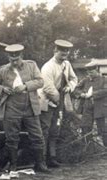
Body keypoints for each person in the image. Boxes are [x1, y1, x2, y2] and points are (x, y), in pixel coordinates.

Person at [0, 44, 49, 172]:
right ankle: (13, 165)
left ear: (21, 56)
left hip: (30, 107)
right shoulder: (3, 70)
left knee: (37, 136)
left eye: (17, 59)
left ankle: (40, 164)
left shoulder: (31, 66)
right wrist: (3, 89)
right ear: (8, 57)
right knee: (12, 138)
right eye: (12, 59)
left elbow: (40, 81)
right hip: (11, 107)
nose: (14, 62)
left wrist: (26, 86)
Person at [38, 39, 78, 167]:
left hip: (59, 102)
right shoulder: (48, 67)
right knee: (45, 130)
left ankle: (52, 158)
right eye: (61, 50)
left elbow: (74, 78)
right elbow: (47, 87)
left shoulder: (66, 64)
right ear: (55, 50)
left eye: (66, 51)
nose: (64, 53)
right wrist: (57, 100)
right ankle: (42, 160)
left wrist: (69, 87)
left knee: (55, 130)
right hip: (46, 102)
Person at [75, 64, 107, 145]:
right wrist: (81, 94)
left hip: (100, 108)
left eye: (92, 72)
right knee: (86, 128)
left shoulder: (104, 79)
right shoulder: (85, 80)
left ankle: (105, 148)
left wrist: (93, 94)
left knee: (103, 129)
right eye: (88, 73)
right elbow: (76, 89)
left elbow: (105, 90)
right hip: (87, 108)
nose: (90, 75)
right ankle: (88, 147)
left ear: (97, 70)